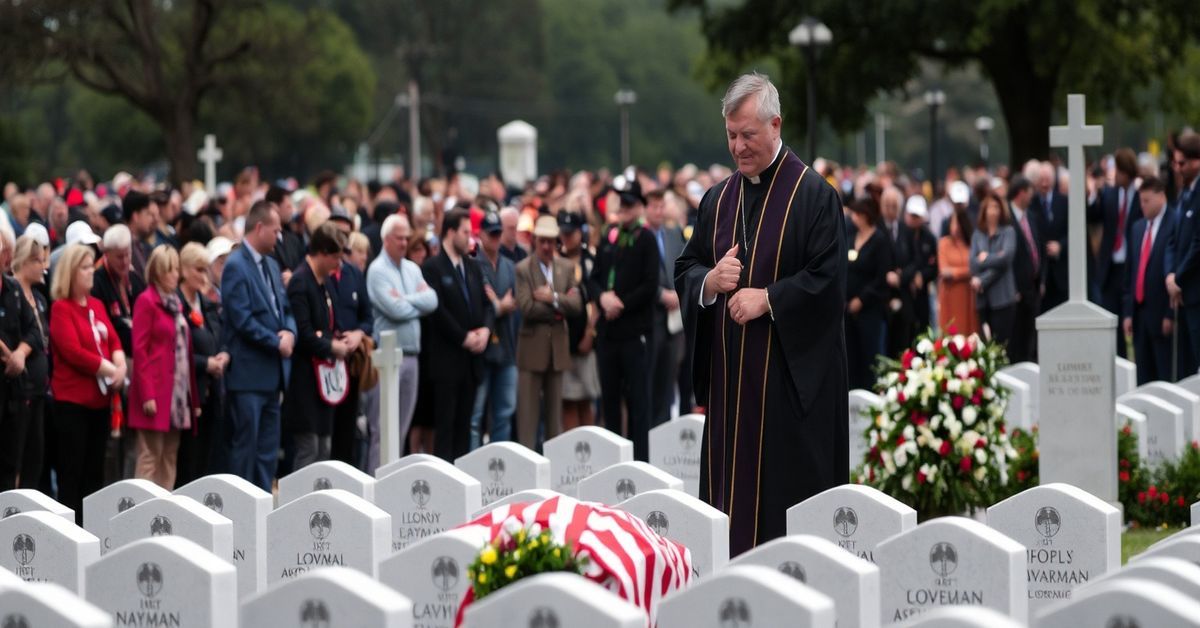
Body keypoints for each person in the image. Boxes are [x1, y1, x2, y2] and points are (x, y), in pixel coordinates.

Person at [675, 73, 848, 553]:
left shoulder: (815, 197)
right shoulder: (718, 198)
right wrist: (709, 283)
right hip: (731, 395)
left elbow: (829, 282)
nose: (737, 147)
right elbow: (687, 266)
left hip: (788, 398)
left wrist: (768, 299)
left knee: (784, 529)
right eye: (731, 135)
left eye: (747, 135)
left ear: (776, 125)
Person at [221, 201, 297, 491]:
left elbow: (285, 308)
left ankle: (263, 507)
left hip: (272, 376)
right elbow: (241, 319)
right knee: (246, 449)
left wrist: (289, 332)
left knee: (267, 451)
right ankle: (241, 512)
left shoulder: (272, 264)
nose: (279, 237)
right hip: (249, 374)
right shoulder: (236, 266)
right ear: (259, 227)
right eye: (276, 231)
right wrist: (275, 342)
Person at [50, 244, 126, 523]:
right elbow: (72, 352)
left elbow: (114, 339)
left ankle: (91, 530)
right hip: (72, 404)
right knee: (72, 472)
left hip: (99, 403)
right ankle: (70, 532)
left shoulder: (96, 305)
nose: (90, 271)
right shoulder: (61, 308)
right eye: (84, 267)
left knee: (95, 473)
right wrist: (110, 370)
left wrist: (120, 364)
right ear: (71, 272)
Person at [366, 214, 438, 471]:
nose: (405, 242)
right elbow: (393, 309)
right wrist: (415, 301)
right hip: (387, 356)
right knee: (382, 428)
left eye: (407, 237)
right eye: (399, 238)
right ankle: (375, 482)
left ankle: (393, 481)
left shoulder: (412, 268)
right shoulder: (377, 271)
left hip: (411, 356)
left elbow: (432, 300)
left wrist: (406, 299)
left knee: (402, 428)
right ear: (386, 239)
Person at [591, 188, 658, 460]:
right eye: (623, 206)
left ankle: (640, 460)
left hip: (633, 331)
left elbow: (650, 285)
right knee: (610, 401)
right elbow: (593, 277)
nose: (625, 211)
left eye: (630, 206)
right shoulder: (609, 236)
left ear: (639, 208)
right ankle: (613, 460)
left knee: (638, 402)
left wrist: (621, 303)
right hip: (608, 333)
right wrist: (601, 298)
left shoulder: (647, 239)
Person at [283, 223, 356, 469]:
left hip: (324, 379)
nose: (339, 264)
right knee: (309, 447)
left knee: (324, 446)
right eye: (335, 257)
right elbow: (303, 333)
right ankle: (299, 504)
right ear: (322, 253)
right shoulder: (300, 282)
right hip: (305, 379)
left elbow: (325, 326)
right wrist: (331, 346)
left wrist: (339, 338)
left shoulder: (323, 283)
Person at [128, 246, 200, 490]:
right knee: (150, 455)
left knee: (170, 456)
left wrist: (193, 399)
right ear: (158, 272)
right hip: (155, 392)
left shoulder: (176, 303)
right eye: (171, 270)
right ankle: (141, 512)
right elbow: (140, 350)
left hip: (176, 395)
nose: (176, 275)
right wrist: (147, 394)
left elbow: (184, 352)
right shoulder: (146, 301)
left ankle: (163, 509)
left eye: (177, 269)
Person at [422, 209, 490, 460]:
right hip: (447, 359)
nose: (470, 237)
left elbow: (486, 303)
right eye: (465, 232)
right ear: (450, 233)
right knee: (446, 427)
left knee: (465, 426)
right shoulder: (432, 268)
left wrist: (485, 329)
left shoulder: (472, 267)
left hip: (471, 362)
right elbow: (437, 311)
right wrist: (463, 337)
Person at [514, 215, 583, 450]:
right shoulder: (523, 269)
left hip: (557, 350)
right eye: (542, 241)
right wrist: (559, 308)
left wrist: (552, 297)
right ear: (534, 241)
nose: (546, 247)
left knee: (555, 418)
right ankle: (527, 463)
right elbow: (526, 308)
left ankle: (553, 467)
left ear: (556, 242)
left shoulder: (566, 267)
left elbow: (577, 306)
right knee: (528, 417)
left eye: (550, 242)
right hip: (532, 350)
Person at [176, 242, 228, 484]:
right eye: (198, 269)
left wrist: (223, 355)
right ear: (184, 270)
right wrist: (204, 363)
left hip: (211, 390)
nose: (204, 276)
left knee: (206, 459)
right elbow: (175, 352)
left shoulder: (208, 304)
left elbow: (222, 337)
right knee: (188, 460)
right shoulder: (176, 305)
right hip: (188, 393)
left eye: (206, 269)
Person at [325, 213, 372, 466]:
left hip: (351, 362)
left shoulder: (354, 273)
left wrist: (358, 333)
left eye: (346, 233)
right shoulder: (319, 272)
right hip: (324, 362)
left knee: (348, 426)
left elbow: (367, 316)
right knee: (326, 431)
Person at [471, 211, 518, 448]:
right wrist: (499, 306)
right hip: (483, 350)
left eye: (499, 233)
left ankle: (503, 463)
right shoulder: (473, 265)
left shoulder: (509, 266)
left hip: (507, 347)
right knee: (476, 415)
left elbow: (516, 301)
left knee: (504, 412)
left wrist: (496, 304)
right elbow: (482, 304)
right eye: (491, 234)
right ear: (480, 234)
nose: (496, 238)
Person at [1089, 148, 1141, 357]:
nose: (1115, 175)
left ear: (1126, 171)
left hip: (1131, 264)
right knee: (1112, 318)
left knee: (1132, 320)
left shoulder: (1139, 196)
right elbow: (1094, 216)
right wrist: (1092, 194)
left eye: (1118, 171)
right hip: (1111, 267)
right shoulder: (1109, 194)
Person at [1124, 177, 1175, 384]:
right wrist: (1128, 312)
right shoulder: (1137, 228)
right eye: (1140, 201)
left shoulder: (1174, 222)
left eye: (1147, 200)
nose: (1142, 206)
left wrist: (1169, 314)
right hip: (1140, 313)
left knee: (1165, 374)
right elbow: (1131, 272)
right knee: (1143, 376)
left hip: (1162, 313)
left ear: (1161, 196)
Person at [0, 235, 41, 491]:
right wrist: (7, 354)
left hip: (14, 391)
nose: (6, 257)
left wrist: (21, 353)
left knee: (11, 464)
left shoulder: (13, 288)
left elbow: (34, 331)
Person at [9, 236, 49, 489]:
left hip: (39, 390)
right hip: (18, 389)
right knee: (15, 456)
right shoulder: (12, 294)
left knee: (36, 454)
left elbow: (41, 336)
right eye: (36, 260)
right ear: (22, 261)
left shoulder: (40, 299)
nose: (42, 266)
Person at [645, 189, 686, 427]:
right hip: (651, 318)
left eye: (661, 206)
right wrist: (662, 295)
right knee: (649, 382)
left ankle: (662, 434)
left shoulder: (673, 235)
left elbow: (682, 267)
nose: (658, 211)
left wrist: (678, 294)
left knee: (667, 381)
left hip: (673, 321)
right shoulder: (641, 236)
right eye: (654, 207)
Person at [558, 211, 601, 430]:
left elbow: (596, 301)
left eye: (570, 233)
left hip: (585, 337)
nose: (566, 237)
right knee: (566, 400)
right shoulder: (556, 259)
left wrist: (589, 334)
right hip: (562, 340)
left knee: (585, 398)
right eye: (563, 233)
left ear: (579, 233)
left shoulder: (589, 261)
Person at [844, 198, 893, 389]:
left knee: (869, 357)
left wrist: (862, 299)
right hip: (848, 309)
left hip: (870, 309)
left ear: (864, 216)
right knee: (851, 356)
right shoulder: (851, 237)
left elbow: (881, 278)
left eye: (856, 214)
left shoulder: (880, 240)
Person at [1166, 132, 1200, 373]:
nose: (1177, 168)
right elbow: (1173, 239)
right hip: (1183, 292)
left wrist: (1178, 279)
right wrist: (1170, 276)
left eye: (1182, 163)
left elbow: (1198, 244)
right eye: (1175, 162)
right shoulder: (1184, 193)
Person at [92, 225, 146, 362]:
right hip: (115, 357)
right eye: (119, 257)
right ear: (107, 254)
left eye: (128, 254)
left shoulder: (135, 278)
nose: (125, 261)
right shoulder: (96, 283)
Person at [970, 193, 1018, 347]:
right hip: (983, 299)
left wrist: (985, 260)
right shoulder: (978, 235)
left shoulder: (1008, 232)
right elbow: (973, 263)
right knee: (985, 343)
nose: (993, 211)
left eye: (996, 207)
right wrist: (994, 258)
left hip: (1002, 298)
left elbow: (1005, 261)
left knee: (1001, 344)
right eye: (990, 207)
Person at [1008, 176, 1044, 362]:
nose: (1032, 197)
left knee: (1031, 336)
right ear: (1021, 193)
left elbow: (1038, 247)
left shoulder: (1030, 216)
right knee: (1018, 338)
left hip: (1033, 287)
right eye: (1029, 193)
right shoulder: (1007, 218)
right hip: (1016, 290)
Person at [897, 195, 937, 337]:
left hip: (922, 292)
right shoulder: (900, 234)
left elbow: (934, 266)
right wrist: (911, 275)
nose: (914, 219)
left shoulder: (929, 238)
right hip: (903, 291)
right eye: (912, 215)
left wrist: (922, 275)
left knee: (923, 329)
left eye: (917, 216)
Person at [937, 206, 979, 336]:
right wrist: (964, 272)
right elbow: (944, 270)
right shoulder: (944, 243)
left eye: (956, 222)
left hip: (968, 294)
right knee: (950, 330)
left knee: (968, 331)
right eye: (952, 222)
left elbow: (974, 268)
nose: (954, 226)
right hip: (949, 294)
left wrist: (954, 273)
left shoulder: (972, 243)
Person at [1032, 162, 1069, 312]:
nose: (1044, 183)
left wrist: (1060, 245)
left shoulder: (1064, 202)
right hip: (1042, 273)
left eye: (1047, 179)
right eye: (1041, 180)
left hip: (1061, 271)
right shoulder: (1032, 204)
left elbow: (1071, 232)